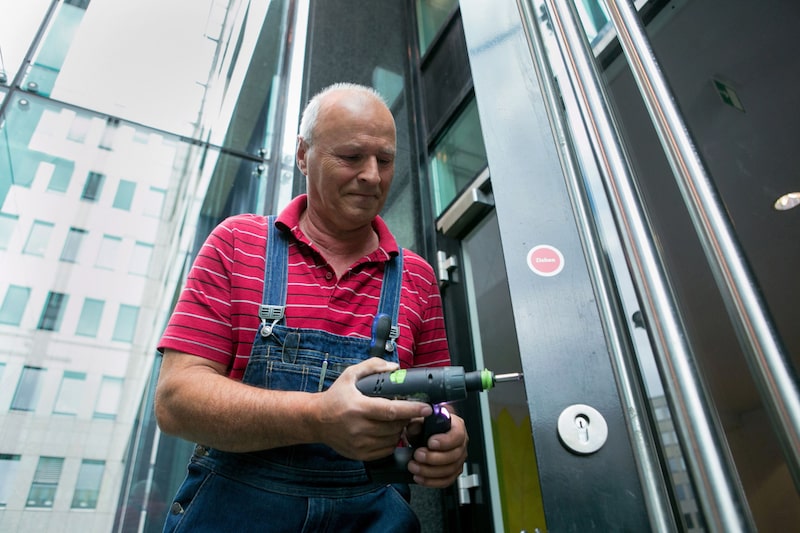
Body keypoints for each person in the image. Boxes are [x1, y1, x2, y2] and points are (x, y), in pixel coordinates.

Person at [155, 82, 469, 532]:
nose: (373, 176)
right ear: (303, 155)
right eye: (351, 157)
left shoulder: (417, 277)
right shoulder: (238, 244)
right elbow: (175, 400)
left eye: (384, 160)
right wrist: (317, 417)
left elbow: (438, 402)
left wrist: (446, 435)